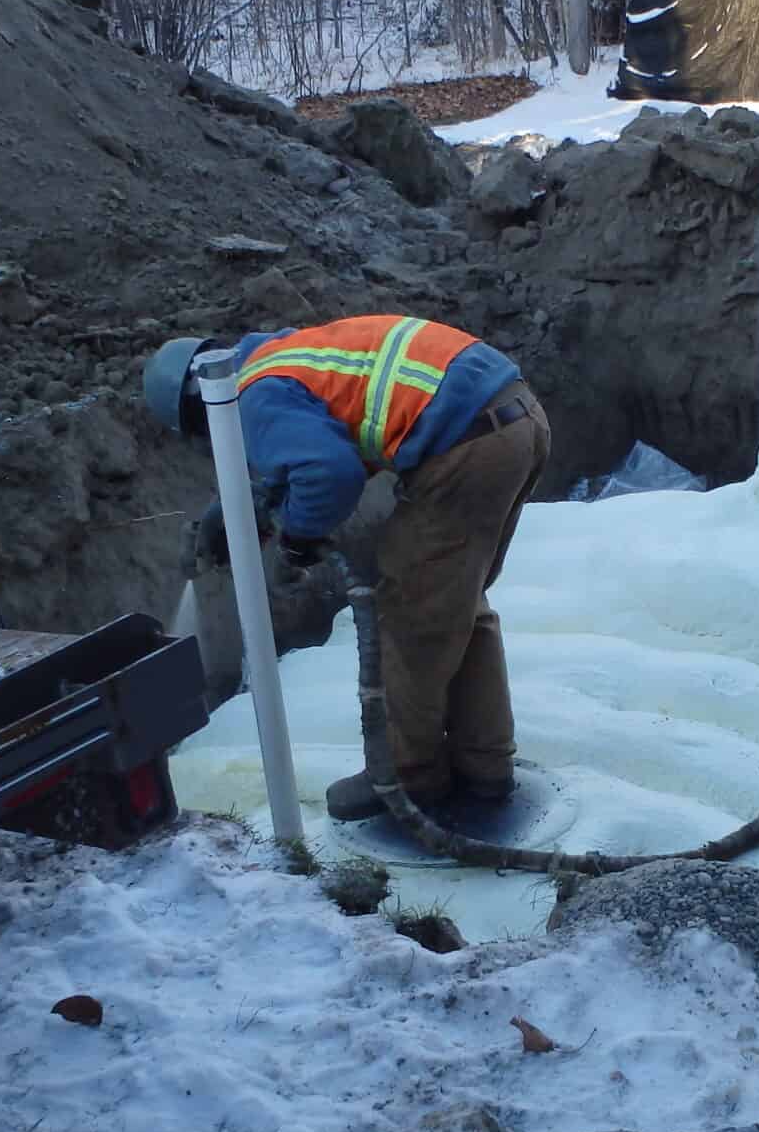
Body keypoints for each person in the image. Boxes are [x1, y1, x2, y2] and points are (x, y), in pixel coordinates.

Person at [145, 315, 549, 822]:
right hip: (515, 419)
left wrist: (297, 537)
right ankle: (485, 764)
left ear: (201, 409)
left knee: (409, 614)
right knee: (454, 607)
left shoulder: (252, 399)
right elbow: (325, 432)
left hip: (467, 447)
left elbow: (329, 473)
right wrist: (242, 503)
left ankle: (408, 778)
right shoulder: (277, 357)